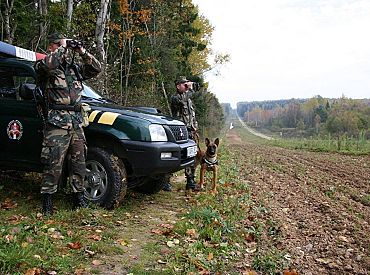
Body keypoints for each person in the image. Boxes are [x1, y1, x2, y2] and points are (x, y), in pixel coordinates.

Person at [35, 33, 101, 215]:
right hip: (56, 122)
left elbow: (96, 68)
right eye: (58, 44)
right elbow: (50, 63)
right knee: (53, 162)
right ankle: (47, 201)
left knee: (79, 162)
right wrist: (63, 48)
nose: (63, 48)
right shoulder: (45, 66)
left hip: (76, 122)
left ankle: (78, 197)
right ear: (51, 47)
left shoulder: (74, 69)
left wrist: (81, 51)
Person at [164, 76, 198, 192]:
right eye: (184, 85)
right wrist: (190, 89)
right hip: (178, 131)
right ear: (178, 86)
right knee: (174, 155)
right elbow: (181, 102)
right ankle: (165, 180)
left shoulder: (188, 100)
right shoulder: (175, 98)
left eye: (186, 84)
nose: (186, 86)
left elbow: (192, 114)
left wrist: (195, 126)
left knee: (191, 155)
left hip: (189, 130)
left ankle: (190, 181)